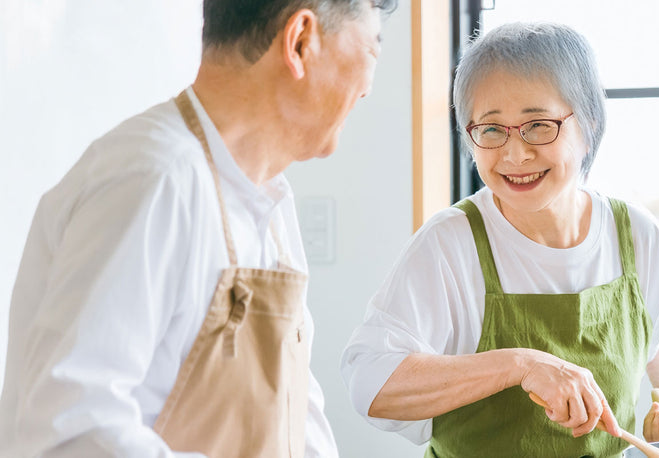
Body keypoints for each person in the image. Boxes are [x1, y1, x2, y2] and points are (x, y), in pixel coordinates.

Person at [0, 0, 395, 456]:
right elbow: (69, 432)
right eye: (373, 47)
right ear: (301, 41)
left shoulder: (270, 202)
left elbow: (295, 417)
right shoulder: (153, 179)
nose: (368, 87)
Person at [341, 22, 659, 458]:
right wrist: (520, 365)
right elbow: (371, 384)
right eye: (491, 130)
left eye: (537, 125)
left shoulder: (636, 235)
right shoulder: (450, 243)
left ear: (588, 123)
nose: (515, 154)